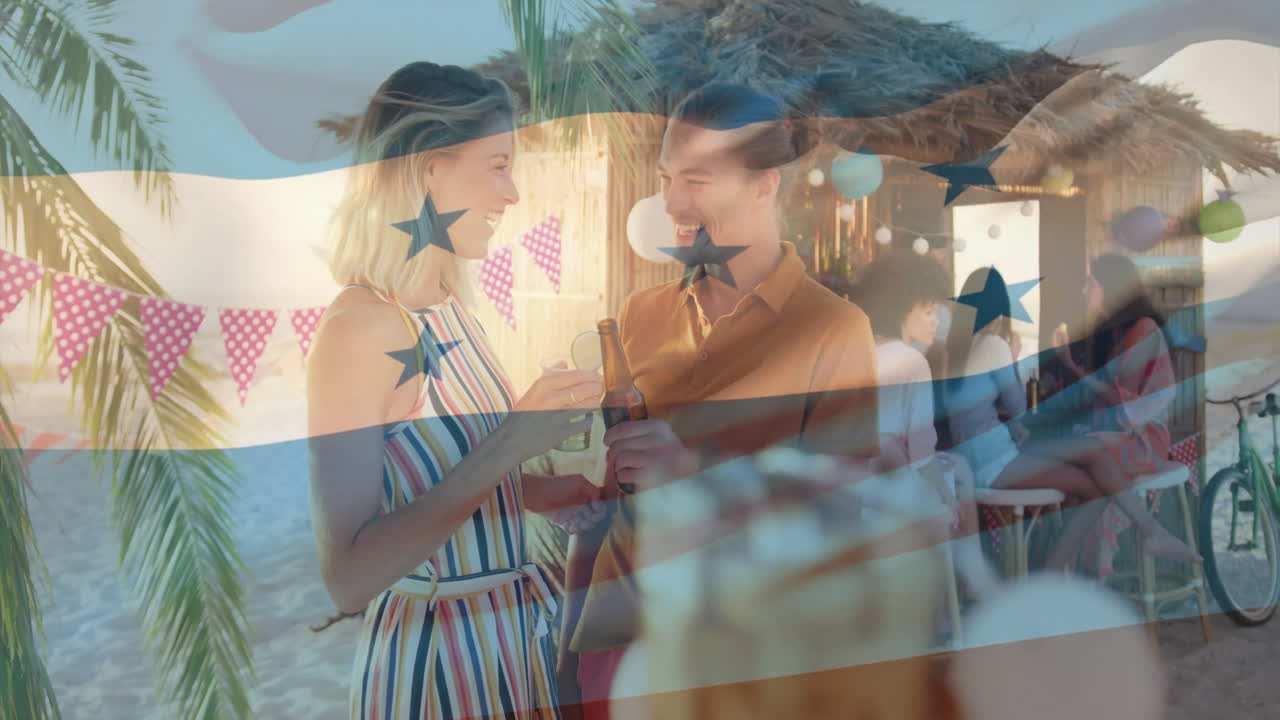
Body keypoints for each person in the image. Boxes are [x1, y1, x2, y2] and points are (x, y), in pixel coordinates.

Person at [560, 83, 881, 719]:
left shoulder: (835, 329)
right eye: (666, 178)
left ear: (765, 184)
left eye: (697, 180)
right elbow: (614, 493)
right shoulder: (641, 314)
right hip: (622, 641)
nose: (671, 203)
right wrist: (573, 644)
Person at [306, 61, 605, 720]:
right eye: (498, 166)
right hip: (439, 664)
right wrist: (511, 444)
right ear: (427, 169)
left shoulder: (447, 304)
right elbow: (349, 579)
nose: (512, 194)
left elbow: (430, 480)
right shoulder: (359, 328)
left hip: (512, 645)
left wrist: (536, 493)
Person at [942, 266, 1195, 571]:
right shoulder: (993, 345)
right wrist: (1014, 356)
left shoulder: (954, 350)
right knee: (1095, 487)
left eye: (1091, 283)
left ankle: (1130, 542)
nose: (1085, 290)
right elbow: (1018, 405)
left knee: (1095, 457)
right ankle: (1058, 571)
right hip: (994, 461)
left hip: (979, 456)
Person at [852, 251, 997, 598]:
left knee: (957, 466)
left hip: (858, 485)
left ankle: (967, 581)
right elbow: (921, 455)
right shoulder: (912, 361)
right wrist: (948, 503)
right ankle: (970, 581)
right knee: (958, 478)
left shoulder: (859, 352)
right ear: (902, 308)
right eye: (929, 311)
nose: (937, 321)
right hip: (897, 486)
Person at [1046, 253, 1199, 571]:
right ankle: (1073, 575)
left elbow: (1122, 403)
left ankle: (1063, 573)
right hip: (1115, 437)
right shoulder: (1110, 333)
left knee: (1086, 474)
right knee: (1086, 486)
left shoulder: (1142, 329)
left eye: (1091, 282)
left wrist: (1071, 366)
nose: (1085, 290)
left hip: (1144, 439)